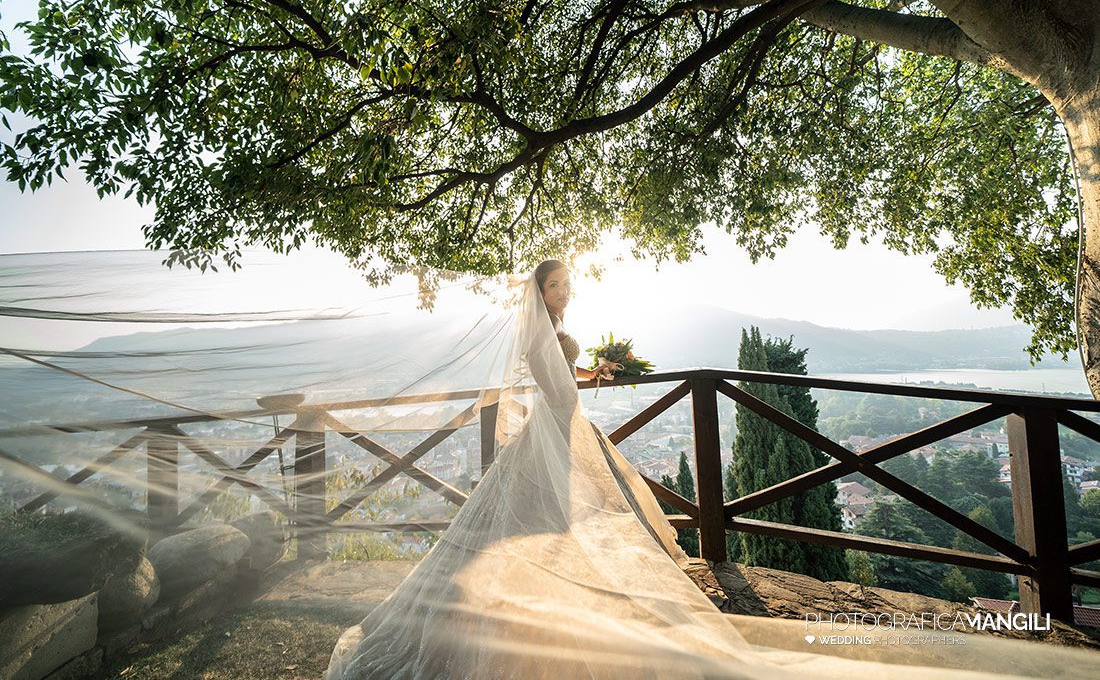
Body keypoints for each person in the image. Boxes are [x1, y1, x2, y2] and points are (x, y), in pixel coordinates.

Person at [324, 263, 1074, 680]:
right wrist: (582, 380)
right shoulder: (539, 337)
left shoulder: (550, 333)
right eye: (561, 287)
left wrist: (594, 371)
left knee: (553, 534)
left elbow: (561, 381)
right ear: (541, 290)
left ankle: (519, 623)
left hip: (561, 429)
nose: (568, 293)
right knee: (550, 532)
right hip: (555, 435)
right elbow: (553, 386)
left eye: (569, 288)